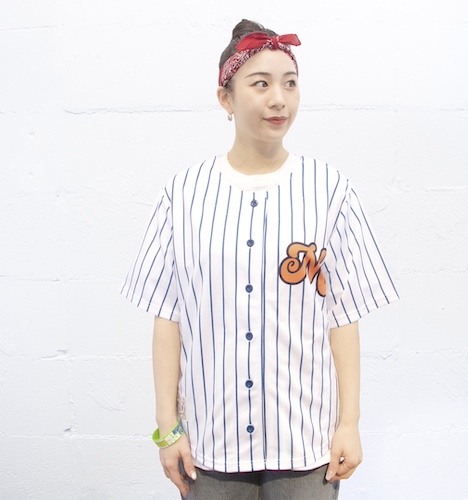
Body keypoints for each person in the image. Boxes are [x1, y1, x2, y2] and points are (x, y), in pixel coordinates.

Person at [121, 19, 399, 500]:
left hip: (306, 442)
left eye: (290, 84)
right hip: (212, 445)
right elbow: (168, 319)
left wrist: (349, 423)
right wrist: (168, 427)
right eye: (261, 84)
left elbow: (343, 318)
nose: (279, 99)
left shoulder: (329, 190)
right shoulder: (183, 194)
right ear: (225, 98)